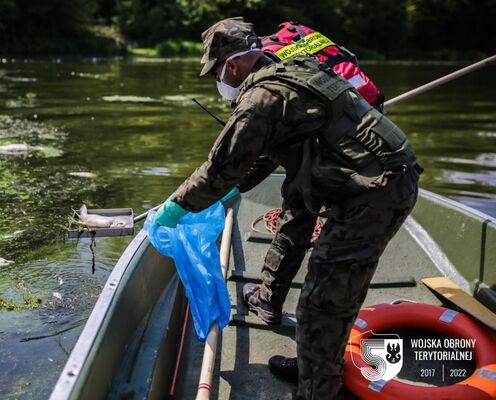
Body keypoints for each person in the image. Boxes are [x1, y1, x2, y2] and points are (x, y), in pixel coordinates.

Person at [154, 17, 422, 399]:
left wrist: (176, 207)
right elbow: (264, 155)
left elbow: (218, 170)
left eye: (215, 71)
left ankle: (317, 391)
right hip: (384, 177)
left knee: (320, 304)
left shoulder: (260, 100)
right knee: (336, 291)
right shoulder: (295, 69)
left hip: (373, 195)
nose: (219, 81)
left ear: (230, 65)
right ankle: (317, 363)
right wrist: (237, 184)